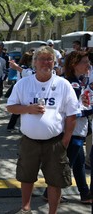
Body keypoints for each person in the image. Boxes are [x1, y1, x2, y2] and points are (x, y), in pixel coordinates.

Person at [7, 46, 79, 214]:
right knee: (26, 176)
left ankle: (52, 212)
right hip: (29, 141)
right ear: (34, 63)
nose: (46, 63)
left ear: (54, 62)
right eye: (42, 59)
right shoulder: (23, 83)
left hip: (55, 142)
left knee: (55, 181)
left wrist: (66, 140)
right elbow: (11, 107)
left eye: (49, 59)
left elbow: (72, 115)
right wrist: (27, 109)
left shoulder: (63, 84)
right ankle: (26, 208)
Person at [41, 50, 92, 204]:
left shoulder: (76, 81)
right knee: (65, 165)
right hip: (73, 131)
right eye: (84, 62)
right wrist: (89, 110)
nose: (88, 65)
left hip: (76, 131)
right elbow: (72, 112)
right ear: (74, 65)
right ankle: (49, 193)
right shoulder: (73, 84)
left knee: (78, 164)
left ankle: (85, 194)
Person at [6, 52, 34, 132]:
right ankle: (11, 126)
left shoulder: (22, 67)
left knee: (18, 110)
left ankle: (11, 126)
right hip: (24, 90)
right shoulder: (25, 68)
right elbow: (29, 75)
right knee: (19, 110)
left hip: (21, 88)